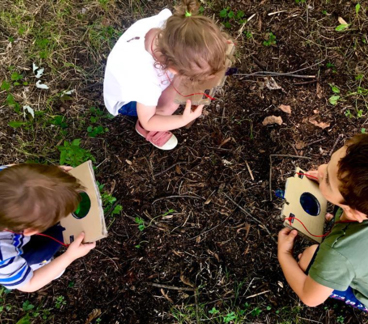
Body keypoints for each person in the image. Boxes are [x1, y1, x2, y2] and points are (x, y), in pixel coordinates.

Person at [277, 133, 368, 315]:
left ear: (354, 211)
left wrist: (284, 255)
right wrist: (328, 182)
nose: (321, 168)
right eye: (329, 165)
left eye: (327, 180)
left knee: (308, 257)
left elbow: (310, 298)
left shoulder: (337, 253)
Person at [103, 0, 230, 150]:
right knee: (177, 94)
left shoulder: (171, 29)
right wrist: (183, 119)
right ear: (174, 70)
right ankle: (149, 130)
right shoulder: (146, 81)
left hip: (136, 76)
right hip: (128, 102)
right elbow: (148, 120)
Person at [0, 164, 96, 292]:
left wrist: (50, 176)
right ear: (31, 231)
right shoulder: (4, 258)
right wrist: (69, 256)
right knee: (38, 257)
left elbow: (17, 175)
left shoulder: (4, 179)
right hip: (20, 255)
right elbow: (29, 284)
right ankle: (40, 264)